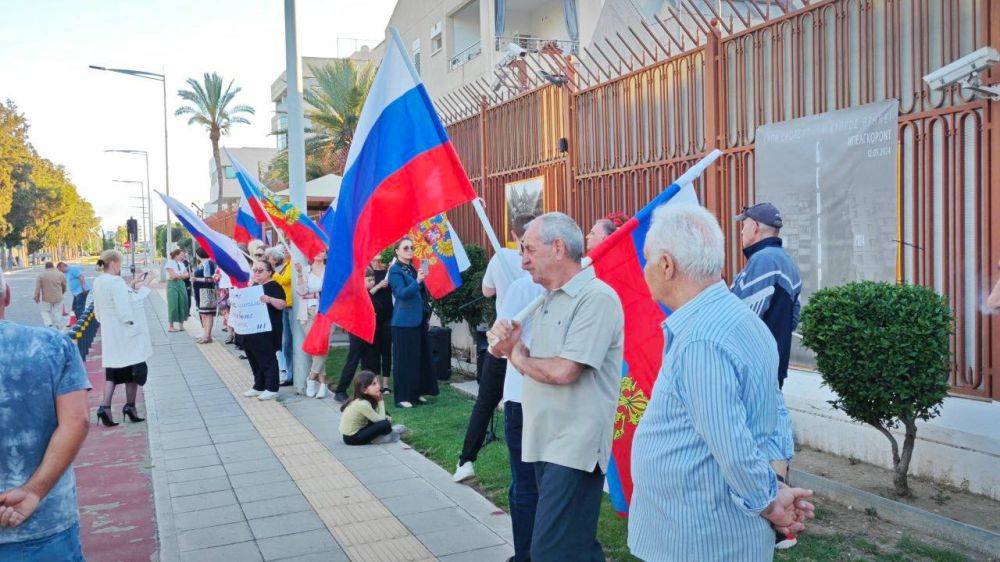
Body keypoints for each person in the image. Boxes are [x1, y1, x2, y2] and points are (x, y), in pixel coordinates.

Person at [627, 204, 815, 561]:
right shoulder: (739, 319)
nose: (644, 270)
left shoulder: (702, 338)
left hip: (699, 537)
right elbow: (772, 415)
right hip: (701, 530)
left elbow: (731, 444)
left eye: (648, 260)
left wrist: (770, 504)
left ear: (667, 265)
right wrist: (774, 487)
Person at [489, 212, 623, 561]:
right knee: (573, 548)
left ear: (559, 247)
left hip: (574, 446)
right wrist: (516, 346)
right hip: (545, 439)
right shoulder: (548, 297)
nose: (523, 260)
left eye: (529, 249)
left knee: (550, 550)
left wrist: (516, 355)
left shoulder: (596, 297)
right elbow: (545, 363)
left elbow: (564, 371)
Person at [731, 202, 803, 550]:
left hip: (757, 371)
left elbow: (739, 318)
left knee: (772, 441)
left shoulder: (763, 262)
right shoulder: (783, 261)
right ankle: (775, 518)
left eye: (743, 226)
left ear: (756, 227)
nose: (741, 232)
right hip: (769, 369)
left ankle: (779, 525)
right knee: (771, 438)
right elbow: (793, 318)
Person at [453, 212, 534, 483]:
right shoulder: (511, 259)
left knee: (486, 402)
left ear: (514, 235)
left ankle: (466, 461)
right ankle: (466, 460)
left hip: (507, 344)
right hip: (511, 345)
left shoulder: (502, 258)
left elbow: (487, 290)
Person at [0, 319, 90, 560]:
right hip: (45, 521)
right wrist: (33, 491)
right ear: (6, 296)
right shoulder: (53, 345)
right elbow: (77, 421)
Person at [497, 274, 546, 562]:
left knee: (544, 485)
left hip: (549, 398)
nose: (524, 258)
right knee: (527, 483)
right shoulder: (524, 287)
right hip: (521, 396)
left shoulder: (579, 288)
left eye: (529, 249)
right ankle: (526, 554)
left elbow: (495, 345)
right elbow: (495, 342)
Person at [90, 250, 153, 427]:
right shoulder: (116, 282)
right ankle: (130, 407)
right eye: (120, 263)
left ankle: (105, 407)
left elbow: (101, 307)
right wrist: (146, 284)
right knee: (135, 369)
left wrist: (133, 284)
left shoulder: (99, 281)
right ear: (114, 263)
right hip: (125, 333)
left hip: (110, 333)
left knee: (113, 372)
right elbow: (126, 308)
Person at [388, 238, 438, 408]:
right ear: (397, 251)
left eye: (411, 247)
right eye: (406, 247)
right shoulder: (395, 271)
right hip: (403, 322)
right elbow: (401, 294)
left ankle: (416, 393)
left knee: (418, 358)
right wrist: (417, 281)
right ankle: (402, 397)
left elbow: (421, 295)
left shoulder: (411, 268)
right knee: (404, 360)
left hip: (418, 319)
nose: (410, 250)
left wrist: (427, 315)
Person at [241, 260, 286, 401]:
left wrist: (269, 299)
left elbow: (282, 304)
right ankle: (258, 386)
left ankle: (272, 388)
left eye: (260, 270)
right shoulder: (254, 286)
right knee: (254, 358)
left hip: (267, 330)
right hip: (252, 329)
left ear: (269, 272)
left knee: (267, 358)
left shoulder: (274, 286)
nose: (256, 273)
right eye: (254, 270)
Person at [333, 273, 379, 403]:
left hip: (367, 328)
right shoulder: (353, 290)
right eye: (368, 279)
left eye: (372, 279)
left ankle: (367, 390)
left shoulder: (366, 292)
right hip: (356, 329)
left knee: (368, 359)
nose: (371, 282)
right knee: (353, 360)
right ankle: (340, 391)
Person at [338, 370, 406, 445]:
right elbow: (381, 421)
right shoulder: (362, 403)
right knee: (384, 423)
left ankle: (384, 434)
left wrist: (386, 416)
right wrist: (380, 401)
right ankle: (385, 437)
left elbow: (377, 414)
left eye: (377, 382)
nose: (378, 386)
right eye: (374, 384)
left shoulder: (365, 399)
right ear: (364, 390)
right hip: (352, 438)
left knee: (386, 416)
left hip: (356, 432)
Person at [296, 250, 328, 399]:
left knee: (321, 345)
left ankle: (311, 378)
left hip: (325, 313)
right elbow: (301, 292)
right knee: (316, 349)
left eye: (321, 250)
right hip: (307, 313)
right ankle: (322, 383)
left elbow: (330, 292)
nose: (318, 252)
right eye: (316, 249)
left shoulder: (329, 270)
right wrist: (300, 274)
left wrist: (315, 294)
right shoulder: (305, 270)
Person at [267, 245, 295, 388]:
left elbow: (286, 280)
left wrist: (274, 273)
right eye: (284, 249)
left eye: (288, 249)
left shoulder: (293, 265)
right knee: (286, 342)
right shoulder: (285, 265)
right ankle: (289, 373)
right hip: (285, 306)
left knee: (289, 342)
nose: (285, 251)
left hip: (292, 307)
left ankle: (293, 373)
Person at [367, 257, 394, 393]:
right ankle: (376, 383)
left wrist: (391, 271)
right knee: (374, 351)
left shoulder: (386, 270)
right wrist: (378, 286)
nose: (378, 253)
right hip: (374, 317)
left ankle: (386, 385)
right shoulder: (368, 272)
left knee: (387, 350)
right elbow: (366, 293)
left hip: (388, 316)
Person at [191, 247, 220, 344]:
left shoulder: (208, 263)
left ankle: (207, 335)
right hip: (200, 291)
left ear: (199, 254)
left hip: (206, 291)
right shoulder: (202, 263)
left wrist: (196, 279)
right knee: (203, 313)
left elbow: (210, 279)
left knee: (207, 314)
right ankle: (206, 334)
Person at [34, 262, 67, 329]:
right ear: (53, 266)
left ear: (45, 267)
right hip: (58, 297)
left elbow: (38, 288)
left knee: (45, 311)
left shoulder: (41, 275)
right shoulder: (60, 274)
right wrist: (62, 292)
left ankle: (49, 324)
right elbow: (64, 285)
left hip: (46, 298)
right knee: (57, 312)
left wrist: (36, 297)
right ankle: (57, 325)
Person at [164, 248, 190, 332]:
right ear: (176, 255)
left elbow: (187, 274)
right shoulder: (169, 263)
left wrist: (180, 275)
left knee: (183, 303)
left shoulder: (181, 264)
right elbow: (173, 276)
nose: (183, 257)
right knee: (173, 304)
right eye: (181, 255)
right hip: (172, 284)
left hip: (181, 284)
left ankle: (181, 325)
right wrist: (182, 275)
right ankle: (171, 326)